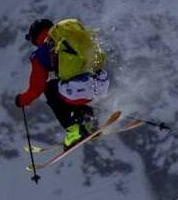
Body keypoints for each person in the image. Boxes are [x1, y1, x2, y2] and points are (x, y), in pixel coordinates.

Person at [14, 18, 110, 148]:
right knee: (64, 86)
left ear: (35, 37)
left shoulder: (41, 52)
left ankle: (73, 132)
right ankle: (89, 121)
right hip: (101, 83)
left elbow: (37, 88)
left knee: (50, 89)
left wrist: (22, 100)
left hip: (78, 90)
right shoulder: (70, 38)